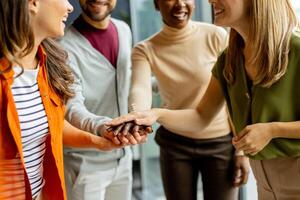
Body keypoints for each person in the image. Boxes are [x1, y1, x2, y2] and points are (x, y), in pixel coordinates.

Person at [108, 0, 300, 199]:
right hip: (265, 181)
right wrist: (152, 114)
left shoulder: (296, 48)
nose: (209, 1)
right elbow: (201, 115)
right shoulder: (230, 58)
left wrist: (272, 130)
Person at [0, 0, 127, 199]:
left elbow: (53, 125)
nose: (69, 7)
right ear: (33, 3)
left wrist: (99, 142)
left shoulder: (46, 65)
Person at [59, 0, 148, 200]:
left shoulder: (123, 30)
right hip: (85, 164)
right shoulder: (62, 47)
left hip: (123, 158)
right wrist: (106, 127)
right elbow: (71, 108)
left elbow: (128, 79)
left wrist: (166, 82)